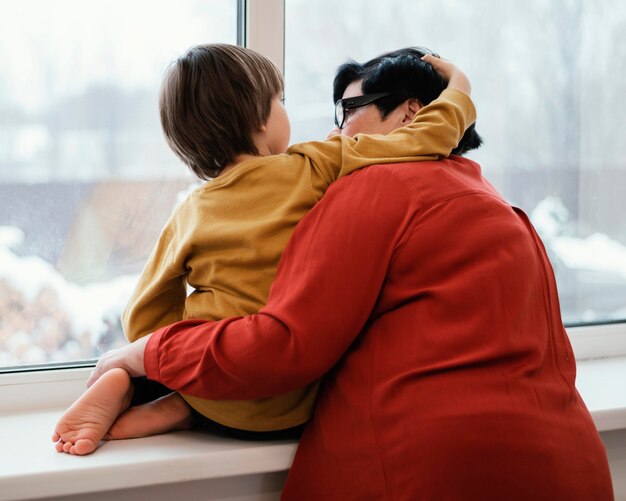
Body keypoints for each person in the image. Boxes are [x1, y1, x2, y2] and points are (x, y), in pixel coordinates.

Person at [85, 47, 614, 500]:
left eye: (350, 110)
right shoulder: (495, 203)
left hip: (427, 473)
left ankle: (170, 403)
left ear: (409, 115)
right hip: (570, 464)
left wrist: (149, 353)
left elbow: (282, 345)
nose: (338, 131)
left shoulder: (373, 188)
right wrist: (461, 92)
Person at [52, 44, 476, 455]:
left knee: (190, 371)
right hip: (289, 402)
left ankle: (165, 402)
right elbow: (424, 139)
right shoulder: (314, 165)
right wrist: (458, 86)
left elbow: (143, 312)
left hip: (214, 381)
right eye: (281, 100)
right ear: (259, 121)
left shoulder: (191, 211)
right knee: (260, 383)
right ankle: (177, 409)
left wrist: (174, 359)